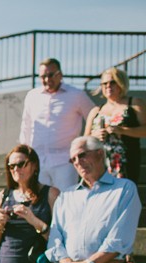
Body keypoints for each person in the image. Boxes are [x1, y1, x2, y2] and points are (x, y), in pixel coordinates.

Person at [19, 58, 95, 192]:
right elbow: (26, 125)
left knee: (66, 201)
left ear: (60, 74)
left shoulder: (76, 95)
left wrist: (84, 145)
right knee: (40, 203)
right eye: (43, 76)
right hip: (38, 161)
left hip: (65, 161)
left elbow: (94, 116)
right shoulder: (32, 96)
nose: (47, 80)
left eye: (51, 75)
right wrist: (25, 155)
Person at [84, 67, 146, 182]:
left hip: (126, 162)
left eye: (112, 82)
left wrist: (123, 130)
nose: (108, 86)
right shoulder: (96, 110)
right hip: (100, 164)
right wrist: (95, 136)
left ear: (121, 83)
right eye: (104, 83)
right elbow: (84, 140)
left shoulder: (135, 104)